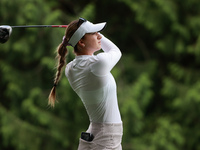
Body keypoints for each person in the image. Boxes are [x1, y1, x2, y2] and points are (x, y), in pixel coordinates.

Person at [48, 18, 123, 150]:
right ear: (81, 42)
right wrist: (101, 36)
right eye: (94, 33)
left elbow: (83, 55)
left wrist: (73, 37)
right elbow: (116, 51)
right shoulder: (98, 64)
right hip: (107, 138)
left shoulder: (70, 69)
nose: (99, 35)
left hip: (93, 134)